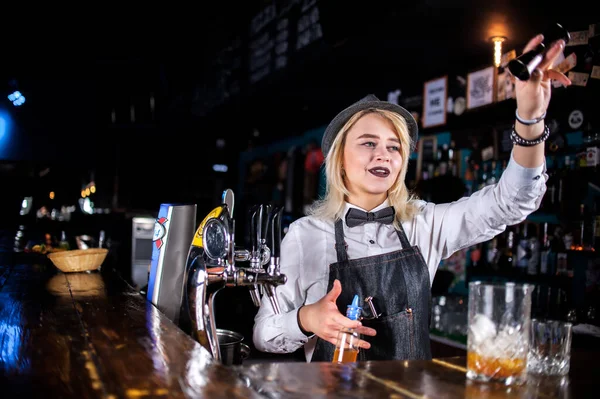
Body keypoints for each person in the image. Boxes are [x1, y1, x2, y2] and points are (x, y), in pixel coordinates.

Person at [253, 33, 570, 362]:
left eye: (394, 146)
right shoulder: (305, 235)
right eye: (368, 143)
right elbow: (264, 334)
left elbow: (513, 202)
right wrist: (306, 319)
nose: (384, 155)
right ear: (340, 161)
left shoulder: (425, 223)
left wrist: (530, 119)